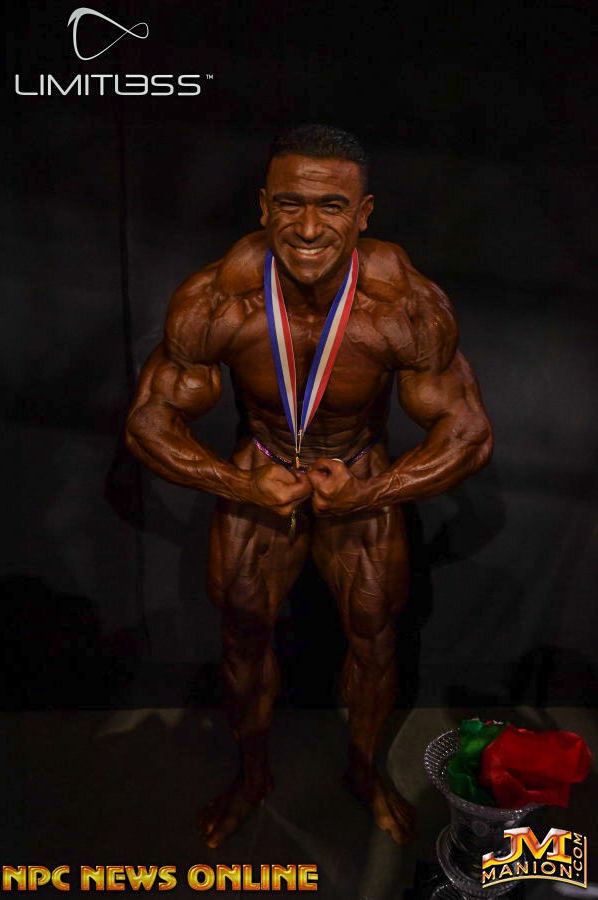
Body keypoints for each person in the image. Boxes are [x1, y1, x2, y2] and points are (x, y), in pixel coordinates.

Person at [125, 124, 493, 848]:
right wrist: (239, 483)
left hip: (358, 470)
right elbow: (148, 423)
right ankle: (251, 777)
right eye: (290, 204)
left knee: (375, 639)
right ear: (264, 206)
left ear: (364, 213)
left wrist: (370, 493)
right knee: (243, 634)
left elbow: (468, 433)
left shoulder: (401, 303)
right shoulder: (220, 296)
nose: (309, 227)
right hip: (260, 465)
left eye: (332, 206)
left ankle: (364, 771)